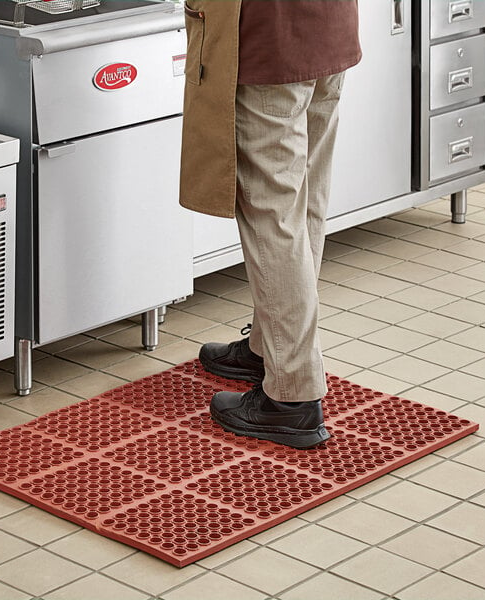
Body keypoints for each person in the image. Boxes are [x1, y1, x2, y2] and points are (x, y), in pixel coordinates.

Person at [179, 0, 362, 449]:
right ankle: (270, 350)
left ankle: (291, 398)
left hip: (268, 45)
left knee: (274, 218)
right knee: (303, 206)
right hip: (328, 31)